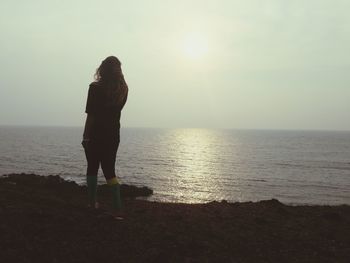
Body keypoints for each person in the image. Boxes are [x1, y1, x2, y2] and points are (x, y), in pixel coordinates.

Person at [82, 56, 128, 218]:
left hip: (95, 134)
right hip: (113, 135)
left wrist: (85, 136)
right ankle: (117, 208)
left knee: (92, 167)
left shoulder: (94, 88)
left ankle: (92, 203)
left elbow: (91, 115)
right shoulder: (123, 90)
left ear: (102, 69)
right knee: (110, 171)